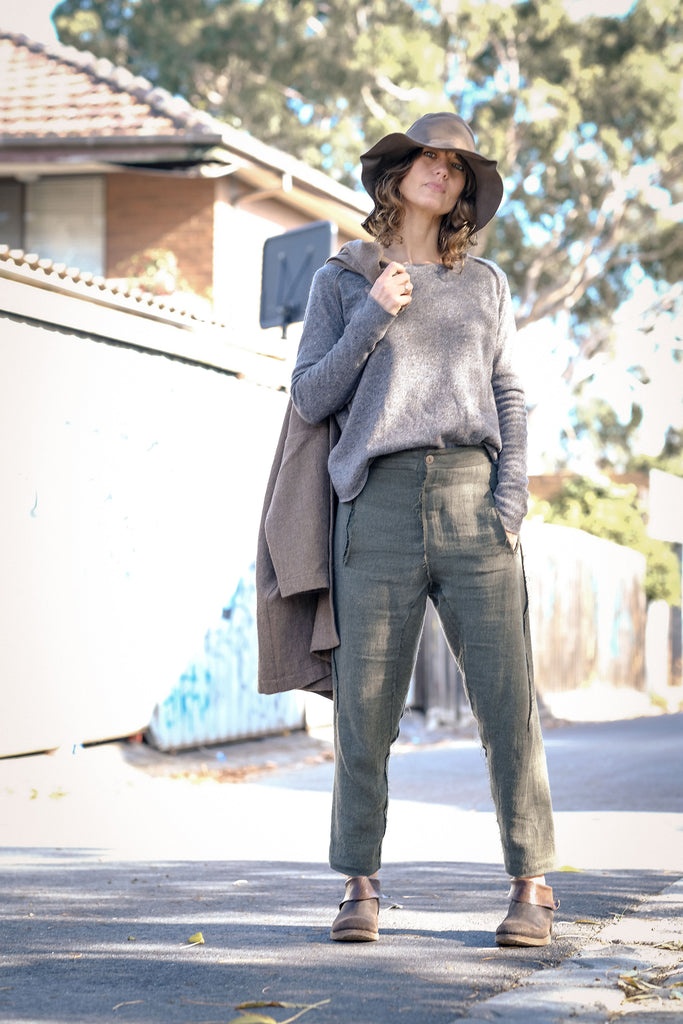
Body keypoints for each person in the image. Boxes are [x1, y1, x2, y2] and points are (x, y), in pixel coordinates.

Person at [288, 111, 557, 947]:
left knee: (506, 703)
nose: (441, 172)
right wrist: (371, 315)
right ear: (395, 176)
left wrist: (509, 498)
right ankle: (358, 885)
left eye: (456, 165)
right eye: (427, 159)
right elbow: (309, 396)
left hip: (474, 500)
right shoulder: (343, 277)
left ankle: (532, 883)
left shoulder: (485, 284)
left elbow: (508, 392)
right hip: (376, 505)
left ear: (464, 189)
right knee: (365, 714)